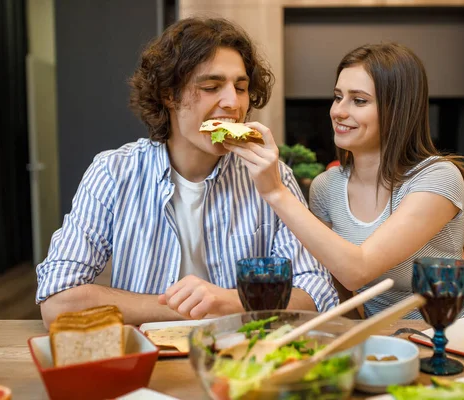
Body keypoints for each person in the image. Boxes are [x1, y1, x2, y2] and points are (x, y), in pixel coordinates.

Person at [36, 17, 338, 328]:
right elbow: (58, 299)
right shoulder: (113, 173)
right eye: (211, 86)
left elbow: (316, 295)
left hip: (239, 356)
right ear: (169, 94)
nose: (233, 103)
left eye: (241, 87)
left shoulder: (272, 176)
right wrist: (186, 309)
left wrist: (228, 301)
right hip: (148, 361)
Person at [225, 43, 464, 319]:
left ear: (398, 110)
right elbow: (340, 289)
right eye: (337, 96)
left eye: (359, 100)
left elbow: (358, 270)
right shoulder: (326, 187)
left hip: (457, 335)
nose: (338, 111)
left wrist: (276, 192)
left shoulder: (437, 176)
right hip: (390, 342)